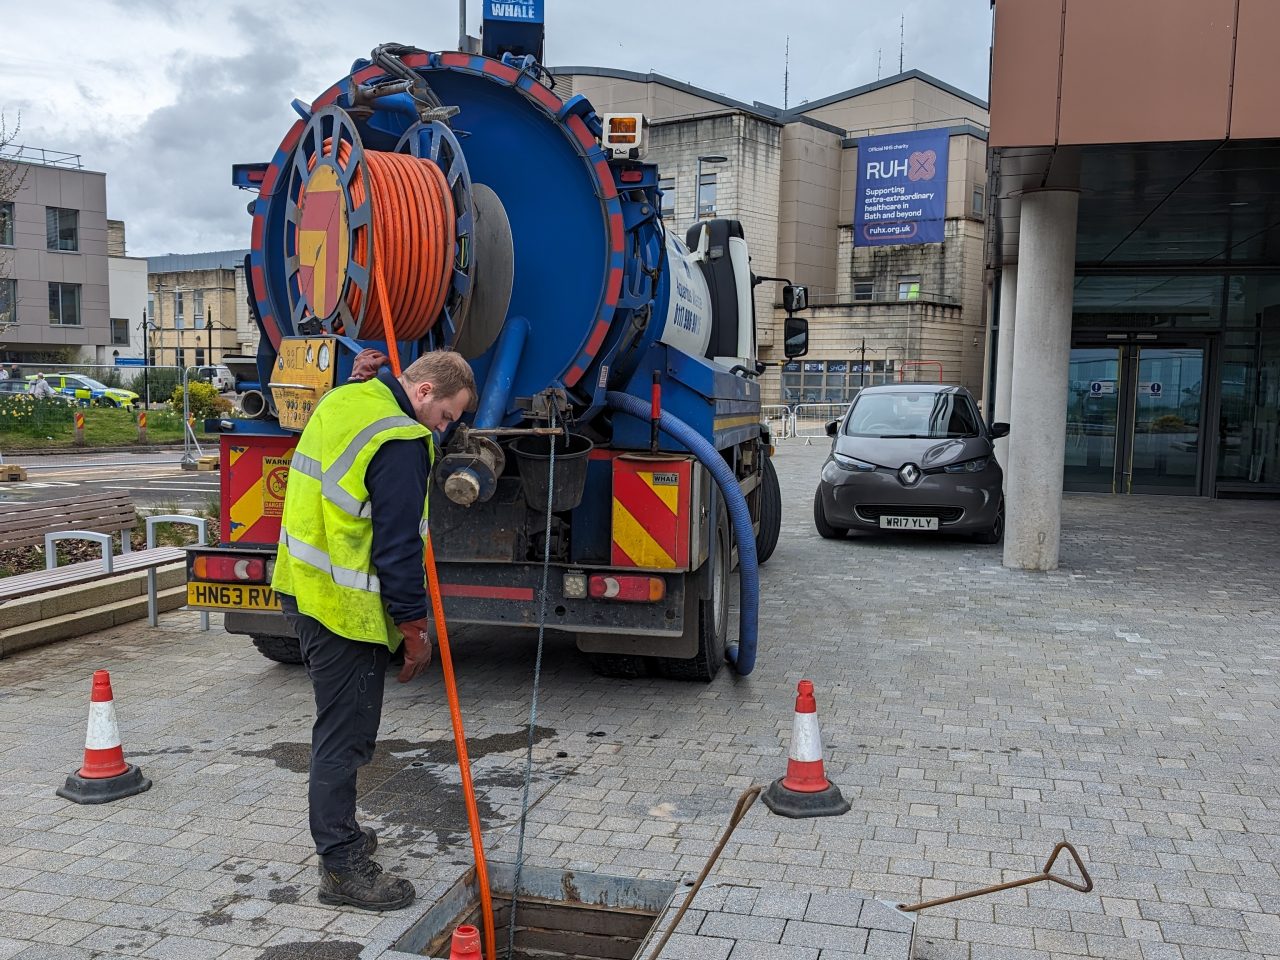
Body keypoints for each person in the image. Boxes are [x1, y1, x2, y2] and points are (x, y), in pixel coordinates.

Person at [271, 348, 476, 912]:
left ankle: (345, 837)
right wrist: (415, 631)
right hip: (345, 612)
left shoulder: (346, 398)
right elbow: (399, 549)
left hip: (302, 587)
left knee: (338, 730)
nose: (448, 426)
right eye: (448, 413)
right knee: (344, 738)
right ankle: (340, 868)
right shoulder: (401, 439)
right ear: (427, 390)